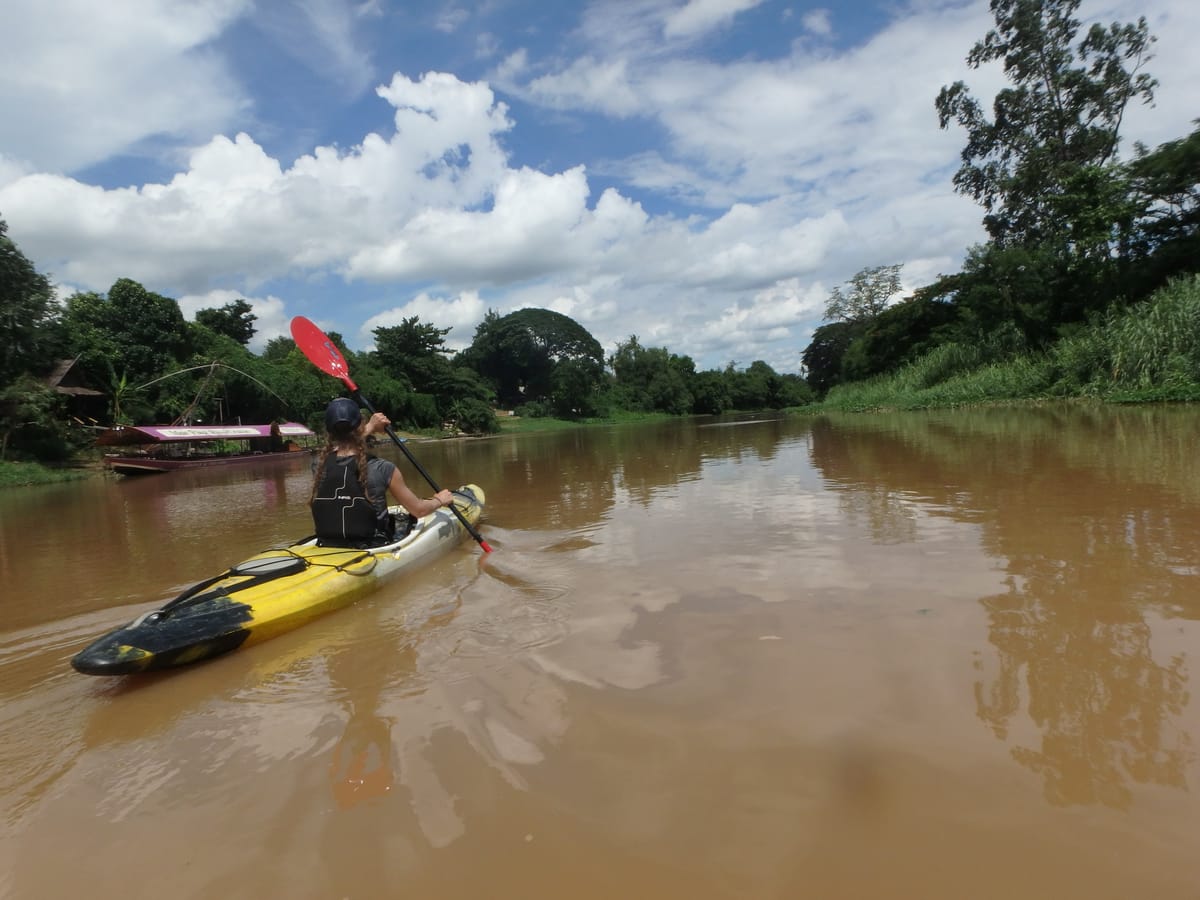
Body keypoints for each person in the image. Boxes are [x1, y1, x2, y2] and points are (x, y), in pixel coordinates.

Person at [310, 397, 454, 547]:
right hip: (371, 547)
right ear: (361, 425)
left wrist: (370, 427)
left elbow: (343, 447)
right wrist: (439, 500)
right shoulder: (383, 468)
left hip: (327, 545)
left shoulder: (318, 465)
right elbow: (419, 510)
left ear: (328, 430)